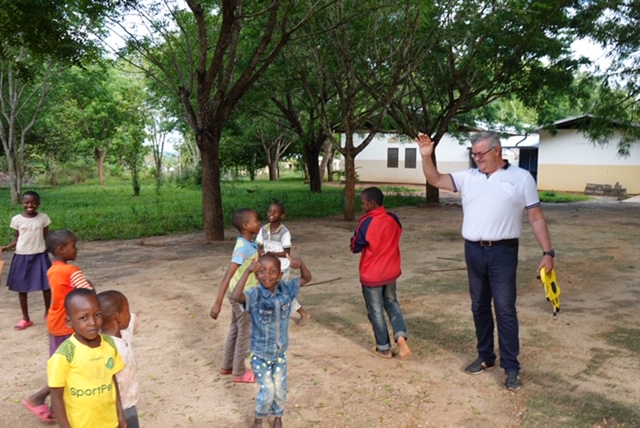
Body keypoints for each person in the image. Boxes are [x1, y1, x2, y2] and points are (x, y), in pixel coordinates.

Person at [418, 131, 554, 391]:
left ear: (497, 151)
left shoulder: (521, 178)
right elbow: (435, 179)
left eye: (481, 153)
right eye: (474, 154)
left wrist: (548, 253)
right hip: (474, 250)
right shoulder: (468, 178)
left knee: (504, 308)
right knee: (479, 305)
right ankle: (485, 357)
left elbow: (535, 217)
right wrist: (426, 156)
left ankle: (511, 367)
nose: (477, 158)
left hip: (503, 252)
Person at [231, 253, 312, 428]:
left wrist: (301, 263)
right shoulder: (254, 295)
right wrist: (247, 271)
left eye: (272, 271)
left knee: (280, 390)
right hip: (260, 355)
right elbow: (236, 296)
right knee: (267, 391)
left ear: (280, 275)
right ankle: (258, 420)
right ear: (256, 274)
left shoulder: (287, 289)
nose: (267, 275)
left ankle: (278, 418)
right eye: (262, 271)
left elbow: (307, 278)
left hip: (280, 354)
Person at [22, 229, 94, 423]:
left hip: (55, 323)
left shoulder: (53, 269)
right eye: (74, 245)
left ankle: (55, 407)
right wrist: (90, 284)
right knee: (68, 368)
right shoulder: (72, 271)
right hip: (68, 326)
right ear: (61, 249)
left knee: (61, 366)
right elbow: (88, 295)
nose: (77, 249)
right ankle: (38, 398)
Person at [48, 288, 126, 428]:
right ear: (69, 322)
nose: (93, 322)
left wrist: (120, 415)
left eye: (97, 315)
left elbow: (113, 380)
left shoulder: (109, 344)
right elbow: (56, 397)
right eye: (84, 318)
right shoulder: (64, 354)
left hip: (110, 423)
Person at [350, 187, 412, 360]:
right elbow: (398, 232)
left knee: (375, 310)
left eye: (363, 203)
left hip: (372, 275)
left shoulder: (366, 222)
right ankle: (400, 338)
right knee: (392, 302)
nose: (362, 206)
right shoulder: (393, 218)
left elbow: (355, 246)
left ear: (371, 203)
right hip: (391, 271)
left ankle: (384, 348)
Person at [210, 208, 262, 383]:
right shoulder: (241, 248)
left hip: (241, 294)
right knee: (244, 333)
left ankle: (227, 366)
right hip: (241, 296)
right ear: (246, 226)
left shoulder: (250, 245)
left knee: (235, 329)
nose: (259, 222)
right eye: (256, 220)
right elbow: (228, 275)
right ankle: (239, 372)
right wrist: (217, 304)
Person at [1, 190, 52, 330]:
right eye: (27, 202)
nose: (31, 205)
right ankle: (26, 318)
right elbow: (18, 238)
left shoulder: (43, 218)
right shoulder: (17, 219)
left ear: (38, 203)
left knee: (46, 286)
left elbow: (46, 237)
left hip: (40, 255)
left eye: (34, 202)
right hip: (22, 256)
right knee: (21, 289)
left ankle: (48, 313)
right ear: (22, 203)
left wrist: (55, 249)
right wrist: (5, 247)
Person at [256, 202, 311, 326]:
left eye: (275, 212)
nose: (271, 214)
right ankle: (301, 313)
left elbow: (287, 252)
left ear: (282, 216)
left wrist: (271, 253)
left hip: (282, 267)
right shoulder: (263, 229)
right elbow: (259, 245)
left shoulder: (284, 232)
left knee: (281, 292)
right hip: (268, 267)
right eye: (270, 211)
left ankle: (299, 313)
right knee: (279, 292)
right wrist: (261, 255)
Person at [98, 290, 140, 428]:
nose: (130, 313)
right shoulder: (105, 348)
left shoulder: (123, 332)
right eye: (127, 310)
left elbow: (132, 320)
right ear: (118, 317)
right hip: (117, 408)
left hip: (129, 402)